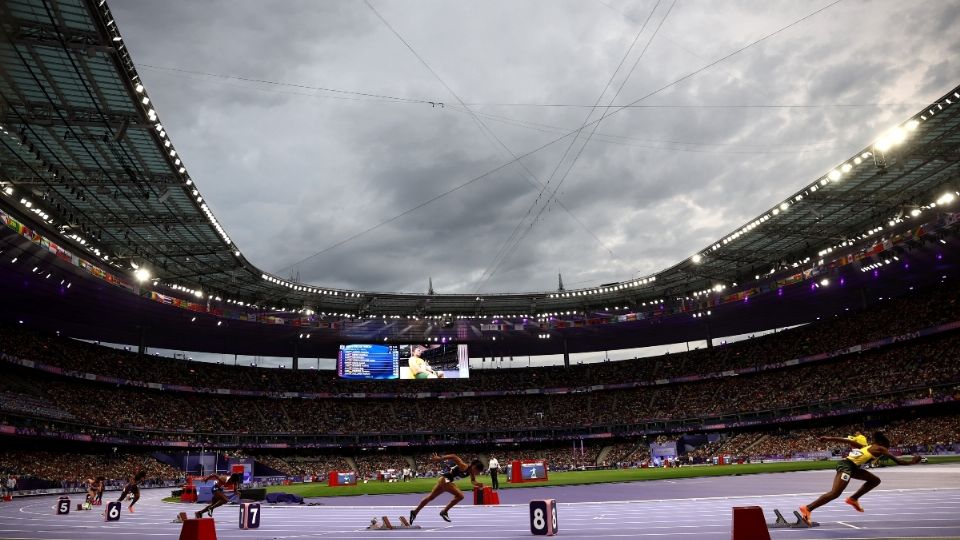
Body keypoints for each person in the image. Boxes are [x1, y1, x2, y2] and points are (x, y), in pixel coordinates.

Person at [799, 432, 921, 526]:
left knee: (875, 480)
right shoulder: (880, 448)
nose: (887, 449)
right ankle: (808, 508)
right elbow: (898, 461)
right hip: (846, 466)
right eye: (888, 447)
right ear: (884, 444)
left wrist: (829, 439)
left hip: (853, 468)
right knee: (835, 493)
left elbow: (846, 441)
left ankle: (853, 499)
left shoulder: (866, 446)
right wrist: (912, 462)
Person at [409, 454, 484, 524]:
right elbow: (454, 456)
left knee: (431, 497)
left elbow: (473, 481)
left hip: (445, 481)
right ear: (473, 467)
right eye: (477, 471)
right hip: (445, 480)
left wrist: (478, 484)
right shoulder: (464, 466)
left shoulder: (470, 472)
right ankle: (444, 511)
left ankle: (414, 512)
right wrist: (440, 458)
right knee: (460, 496)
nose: (477, 473)